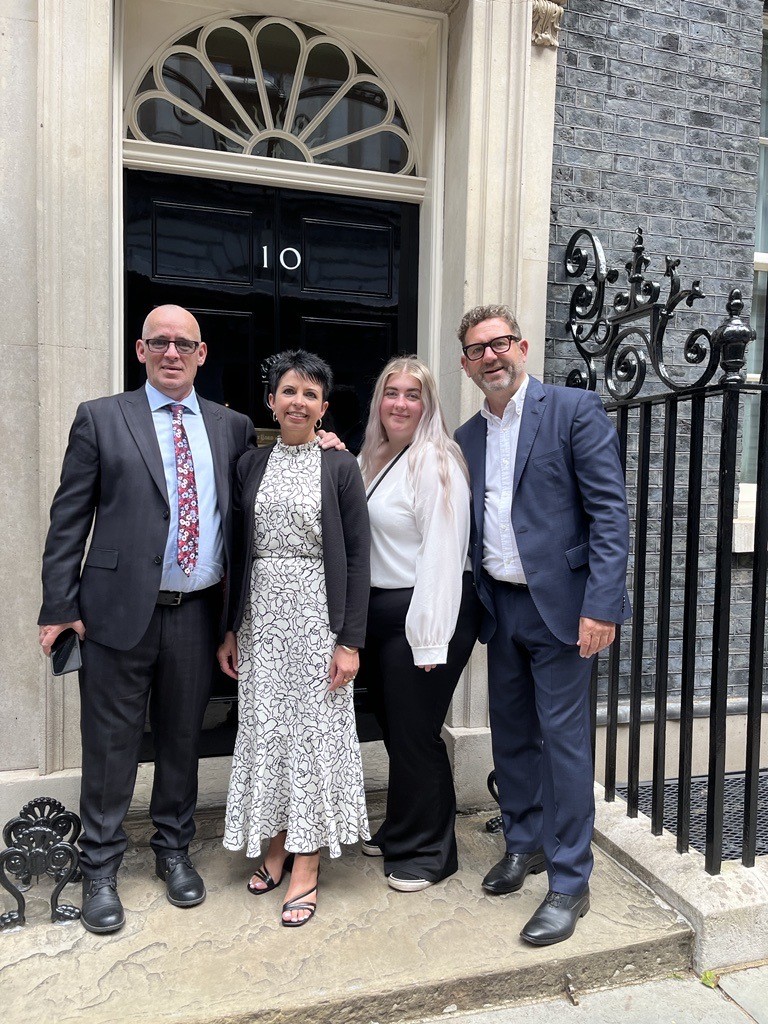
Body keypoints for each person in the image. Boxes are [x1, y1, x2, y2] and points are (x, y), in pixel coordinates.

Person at [37, 306, 257, 933]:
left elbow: (251, 510)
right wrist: (59, 607)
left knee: (183, 738)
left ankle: (173, 849)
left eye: (183, 344)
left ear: (202, 354)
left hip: (196, 613)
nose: (171, 353)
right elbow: (68, 520)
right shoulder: (102, 418)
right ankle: (100, 866)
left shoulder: (233, 427)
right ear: (140, 350)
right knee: (110, 746)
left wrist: (325, 444)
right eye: (159, 342)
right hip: (113, 614)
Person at [455, 304, 631, 946]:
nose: (492, 356)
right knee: (512, 735)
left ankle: (569, 880)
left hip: (565, 609)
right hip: (501, 607)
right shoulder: (468, 436)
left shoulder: (573, 410)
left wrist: (602, 605)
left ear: (523, 346)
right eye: (478, 349)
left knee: (562, 744)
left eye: (501, 343)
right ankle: (523, 843)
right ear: (467, 365)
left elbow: (610, 515)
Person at [217, 350, 371, 927]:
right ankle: (275, 843)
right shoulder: (250, 464)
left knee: (311, 737)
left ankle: (306, 864)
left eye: (310, 394)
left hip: (316, 618)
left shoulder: (340, 467)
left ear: (324, 407)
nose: (298, 402)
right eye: (288, 391)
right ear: (271, 401)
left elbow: (359, 557)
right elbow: (238, 551)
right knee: (268, 732)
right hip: (260, 619)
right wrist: (231, 628)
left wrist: (349, 640)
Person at [357, 356, 481, 892]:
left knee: (417, 733)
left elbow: (442, 554)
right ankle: (403, 827)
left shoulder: (435, 460)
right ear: (378, 401)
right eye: (392, 392)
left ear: (428, 404)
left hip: (429, 608)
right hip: (381, 611)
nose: (400, 403)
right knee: (395, 727)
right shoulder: (376, 456)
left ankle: (433, 851)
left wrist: (430, 636)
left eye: (413, 394)